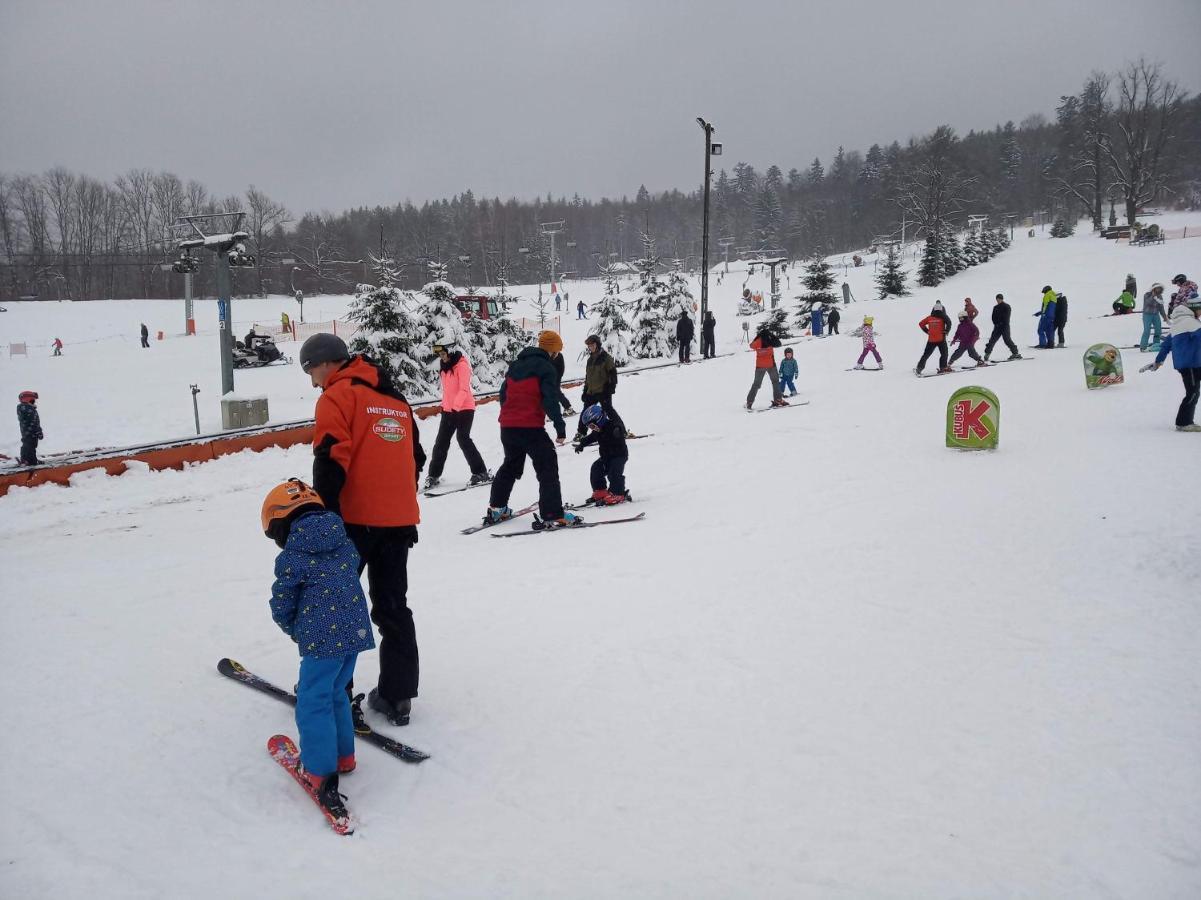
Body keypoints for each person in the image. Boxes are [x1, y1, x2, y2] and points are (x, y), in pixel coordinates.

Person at [299, 332, 425, 729]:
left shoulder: (338, 396)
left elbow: (331, 455)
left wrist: (323, 514)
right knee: (393, 607)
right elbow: (416, 457)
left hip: (353, 521)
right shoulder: (395, 400)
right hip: (398, 520)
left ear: (325, 363)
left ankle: (337, 697)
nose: (313, 381)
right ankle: (397, 694)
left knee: (336, 607)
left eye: (311, 370)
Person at [262, 478, 373, 822]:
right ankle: (344, 756)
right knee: (337, 691)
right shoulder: (345, 543)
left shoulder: (293, 558)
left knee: (313, 701)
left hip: (322, 641)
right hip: (354, 633)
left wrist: (295, 629)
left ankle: (319, 770)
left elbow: (282, 604)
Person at [485, 330, 580, 529]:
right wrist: (560, 427)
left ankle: (497, 508)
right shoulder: (546, 368)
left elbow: (503, 394)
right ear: (552, 350)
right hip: (530, 428)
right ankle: (553, 513)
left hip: (508, 427)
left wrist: (511, 413)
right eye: (557, 351)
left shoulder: (516, 365)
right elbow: (550, 399)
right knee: (547, 467)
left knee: (510, 465)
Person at [423, 341, 491, 491]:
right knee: (441, 442)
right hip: (449, 410)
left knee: (463, 438)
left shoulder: (462, 366)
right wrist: (445, 405)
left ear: (451, 352)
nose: (442, 358)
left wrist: (456, 407)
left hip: (465, 409)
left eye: (443, 354)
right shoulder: (444, 367)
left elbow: (464, 389)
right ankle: (433, 475)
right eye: (439, 355)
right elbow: (447, 391)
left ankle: (480, 472)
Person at [1143, 301, 1201, 431]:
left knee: (1194, 392)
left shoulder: (1177, 325)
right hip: (1190, 364)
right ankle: (1183, 423)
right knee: (1192, 393)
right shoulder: (1190, 322)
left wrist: (1158, 362)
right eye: (1200, 309)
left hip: (1190, 364)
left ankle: (1184, 422)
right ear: (1194, 309)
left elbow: (1166, 346)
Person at [575, 402, 630, 505]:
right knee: (596, 468)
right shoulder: (598, 431)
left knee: (614, 473)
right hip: (606, 457)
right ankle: (600, 491)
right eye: (590, 427)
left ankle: (618, 493)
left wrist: (619, 430)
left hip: (619, 456)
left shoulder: (613, 426)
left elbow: (619, 425)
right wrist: (582, 444)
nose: (592, 429)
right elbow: (591, 438)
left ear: (600, 419)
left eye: (592, 425)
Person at [575, 335, 617, 441]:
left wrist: (610, 388)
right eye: (589, 346)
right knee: (585, 413)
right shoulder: (590, 360)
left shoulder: (606, 358)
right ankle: (581, 433)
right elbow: (588, 377)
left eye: (592, 345)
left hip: (603, 391)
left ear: (597, 344)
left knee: (609, 411)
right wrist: (585, 391)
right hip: (591, 392)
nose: (591, 347)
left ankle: (621, 430)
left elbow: (613, 374)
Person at [746, 325, 786, 409]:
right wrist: (771, 335)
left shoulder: (758, 341)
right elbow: (779, 343)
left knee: (756, 384)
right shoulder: (770, 340)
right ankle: (778, 399)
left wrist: (758, 336)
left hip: (760, 366)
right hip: (771, 365)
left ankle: (749, 402)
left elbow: (751, 345)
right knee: (775, 382)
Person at [915, 302, 952, 375]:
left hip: (931, 340)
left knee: (926, 355)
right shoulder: (943, 317)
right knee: (944, 354)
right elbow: (949, 323)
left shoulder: (929, 317)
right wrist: (946, 331)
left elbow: (921, 324)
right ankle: (943, 368)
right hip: (941, 339)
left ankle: (919, 368)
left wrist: (927, 331)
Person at [983, 293, 1021, 361]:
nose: (998, 300)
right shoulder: (995, 307)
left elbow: (1007, 317)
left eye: (999, 299)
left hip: (1005, 326)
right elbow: (993, 317)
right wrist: (996, 323)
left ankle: (1015, 353)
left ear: (1002, 299)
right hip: (997, 327)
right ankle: (987, 354)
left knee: (1007, 340)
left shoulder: (1007, 306)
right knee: (992, 340)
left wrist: (1002, 323)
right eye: (997, 299)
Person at [547, 341, 576, 417]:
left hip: (556, 379)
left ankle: (568, 408)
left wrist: (557, 378)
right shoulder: (548, 355)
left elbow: (561, 369)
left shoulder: (559, 356)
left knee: (557, 393)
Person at [17, 390, 42, 466]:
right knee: (31, 446)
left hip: (26, 432)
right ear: (28, 399)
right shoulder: (29, 409)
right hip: (32, 432)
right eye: (33, 400)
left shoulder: (24, 408)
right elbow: (34, 422)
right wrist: (38, 431)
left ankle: (25, 460)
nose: (34, 402)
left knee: (27, 444)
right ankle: (31, 462)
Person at [1141, 283, 1167, 351]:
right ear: (1154, 288)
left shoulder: (1160, 296)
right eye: (1157, 288)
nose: (1158, 290)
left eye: (1160, 288)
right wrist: (1153, 296)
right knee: (1147, 330)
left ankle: (1156, 344)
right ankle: (1143, 346)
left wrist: (1164, 317)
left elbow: (1161, 307)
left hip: (1156, 315)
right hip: (1147, 315)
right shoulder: (1147, 295)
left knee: (1158, 330)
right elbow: (1148, 302)